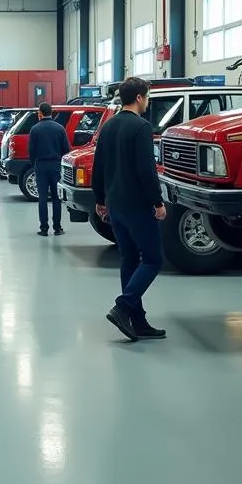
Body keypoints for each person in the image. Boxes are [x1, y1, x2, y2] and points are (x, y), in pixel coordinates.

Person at [91, 77, 167, 341]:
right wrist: (157, 202)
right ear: (139, 98)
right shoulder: (141, 127)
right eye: (147, 97)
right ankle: (124, 307)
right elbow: (146, 170)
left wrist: (100, 200)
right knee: (154, 258)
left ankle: (137, 320)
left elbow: (98, 166)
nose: (147, 102)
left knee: (130, 259)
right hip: (136, 205)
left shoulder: (108, 126)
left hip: (115, 205)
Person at [28, 102, 70, 236]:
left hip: (41, 166)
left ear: (40, 113)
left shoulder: (35, 129)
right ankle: (57, 228)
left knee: (43, 198)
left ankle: (44, 228)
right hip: (56, 165)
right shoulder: (60, 128)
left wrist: (34, 163)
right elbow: (66, 150)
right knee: (56, 198)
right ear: (51, 112)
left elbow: (31, 151)